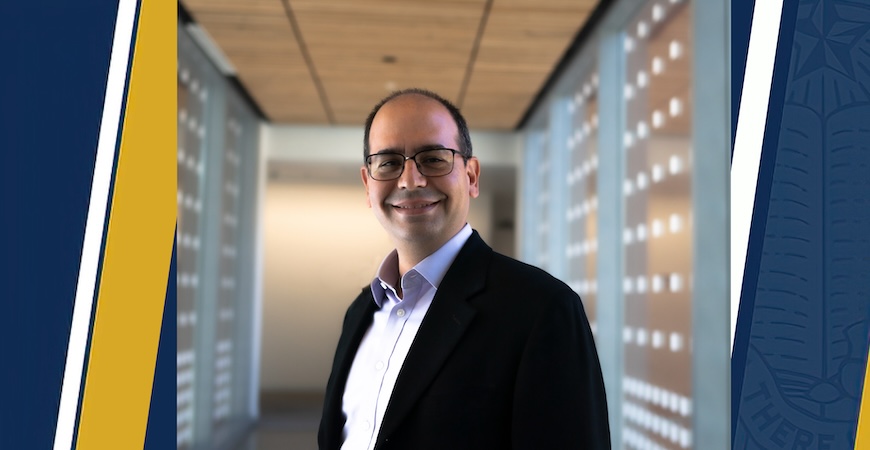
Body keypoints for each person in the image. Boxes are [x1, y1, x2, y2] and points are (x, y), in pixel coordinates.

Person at [318, 88, 610, 449]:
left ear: (471, 176)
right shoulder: (360, 312)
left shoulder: (542, 309)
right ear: (368, 184)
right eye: (389, 162)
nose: (410, 180)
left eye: (434, 158)